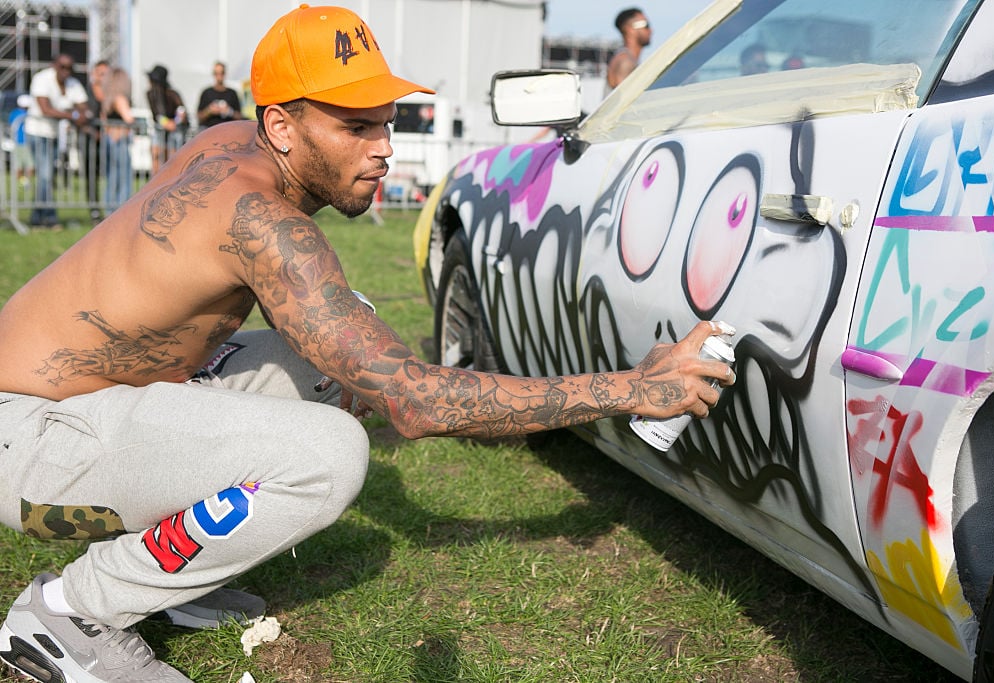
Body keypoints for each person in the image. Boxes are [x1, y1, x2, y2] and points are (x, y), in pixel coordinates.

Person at [0, 5, 734, 682]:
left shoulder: (237, 143)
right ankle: (68, 613)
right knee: (328, 457)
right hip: (27, 433)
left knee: (345, 346)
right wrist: (630, 388)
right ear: (283, 127)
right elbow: (414, 402)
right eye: (358, 126)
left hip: (89, 399)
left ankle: (169, 577)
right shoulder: (259, 218)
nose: (385, 148)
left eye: (389, 121)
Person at [23, 54, 91, 229]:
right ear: (55, 65)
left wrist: (79, 113)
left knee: (47, 176)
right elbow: (46, 109)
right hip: (37, 132)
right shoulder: (42, 79)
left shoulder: (73, 84)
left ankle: (36, 218)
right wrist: (73, 114)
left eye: (69, 67)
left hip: (54, 135)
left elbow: (84, 105)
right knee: (45, 175)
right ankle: (50, 217)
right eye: (62, 66)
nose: (66, 71)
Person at [100, 67, 136, 210]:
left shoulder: (107, 100)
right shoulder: (120, 98)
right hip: (119, 141)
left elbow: (104, 122)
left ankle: (110, 209)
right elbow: (129, 119)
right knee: (123, 178)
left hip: (109, 140)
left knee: (112, 177)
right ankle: (121, 209)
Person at [146, 64, 189, 173]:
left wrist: (176, 121)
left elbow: (181, 110)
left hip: (174, 133)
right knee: (156, 155)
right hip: (160, 131)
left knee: (172, 159)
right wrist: (166, 123)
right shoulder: (150, 94)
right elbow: (157, 115)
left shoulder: (172, 94)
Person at [83, 60, 110, 224]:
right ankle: (94, 209)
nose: (103, 77)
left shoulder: (111, 92)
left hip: (108, 140)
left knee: (108, 174)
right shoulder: (87, 92)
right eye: (100, 73)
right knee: (91, 174)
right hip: (90, 139)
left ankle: (110, 208)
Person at [607, 7, 652, 90]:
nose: (651, 30)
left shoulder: (629, 59)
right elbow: (622, 100)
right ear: (629, 29)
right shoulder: (625, 61)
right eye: (646, 25)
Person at [196, 61, 243, 129]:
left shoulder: (232, 93)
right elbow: (199, 116)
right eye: (216, 73)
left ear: (225, 74)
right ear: (213, 74)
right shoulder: (206, 93)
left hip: (228, 130)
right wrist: (209, 111)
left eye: (222, 73)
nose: (219, 76)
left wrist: (229, 111)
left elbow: (240, 116)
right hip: (209, 130)